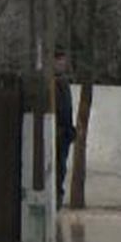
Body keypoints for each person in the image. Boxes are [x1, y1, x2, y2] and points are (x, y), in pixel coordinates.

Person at [53, 51, 77, 208]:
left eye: (63, 62)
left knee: (61, 167)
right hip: (57, 133)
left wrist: (70, 131)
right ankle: (56, 198)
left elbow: (68, 110)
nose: (62, 65)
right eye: (59, 62)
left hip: (64, 134)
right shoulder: (54, 84)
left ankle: (58, 197)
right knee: (57, 167)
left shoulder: (63, 83)